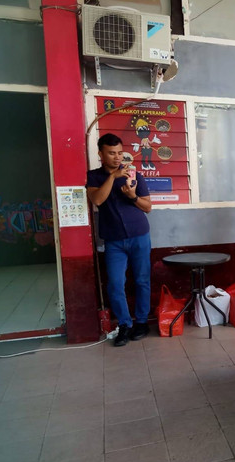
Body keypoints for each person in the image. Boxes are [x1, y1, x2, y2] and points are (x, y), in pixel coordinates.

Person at [87, 133, 152, 347]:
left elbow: (148, 207)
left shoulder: (135, 176)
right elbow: (97, 199)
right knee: (115, 283)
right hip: (114, 241)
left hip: (139, 236)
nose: (117, 158)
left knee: (142, 280)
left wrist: (132, 196)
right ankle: (124, 324)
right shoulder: (94, 177)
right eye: (111, 153)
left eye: (119, 153)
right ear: (101, 154)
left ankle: (141, 322)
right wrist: (113, 177)